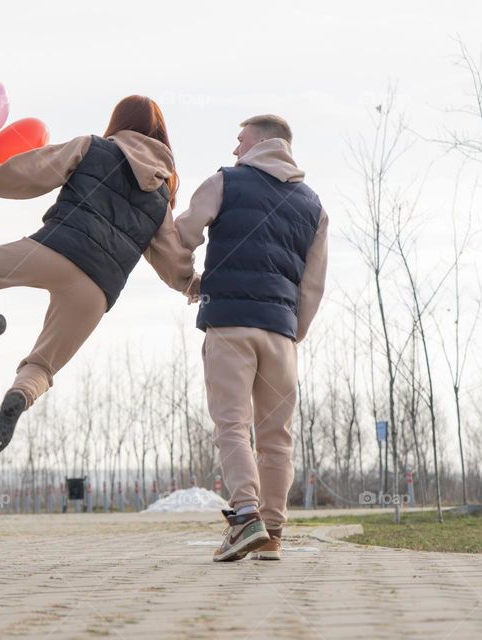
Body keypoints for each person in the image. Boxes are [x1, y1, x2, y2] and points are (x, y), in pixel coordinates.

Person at [0, 95, 198, 456]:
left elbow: (31, 172)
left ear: (119, 121)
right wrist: (192, 285)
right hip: (97, 290)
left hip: (56, 251)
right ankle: (19, 396)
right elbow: (173, 260)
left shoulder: (93, 147)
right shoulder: (161, 197)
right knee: (43, 364)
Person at [175, 115, 329, 562]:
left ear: (261, 141)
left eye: (239, 141)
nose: (235, 150)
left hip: (230, 324)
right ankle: (273, 532)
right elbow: (313, 285)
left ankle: (245, 518)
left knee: (232, 425)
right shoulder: (314, 206)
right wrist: (292, 331)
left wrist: (189, 280)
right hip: (281, 334)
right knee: (277, 435)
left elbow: (182, 234)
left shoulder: (225, 182)